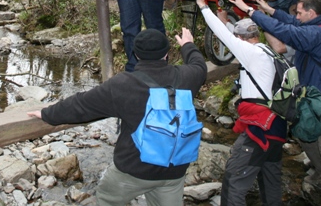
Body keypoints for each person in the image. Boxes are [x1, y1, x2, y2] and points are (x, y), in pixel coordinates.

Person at [27, 28, 207, 206]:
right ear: (167, 53)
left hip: (134, 170)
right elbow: (199, 64)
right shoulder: (188, 76)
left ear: (136, 54)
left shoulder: (123, 85)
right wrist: (188, 45)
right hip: (174, 169)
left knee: (106, 198)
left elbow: (81, 105)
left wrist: (46, 113)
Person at [229, 0, 321, 206]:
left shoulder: (316, 34)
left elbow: (286, 31)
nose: (297, 16)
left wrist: (251, 12)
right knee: (305, 137)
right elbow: (291, 22)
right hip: (312, 98)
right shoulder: (316, 25)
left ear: (311, 13)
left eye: (300, 12)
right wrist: (270, 10)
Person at [196, 0, 286, 206]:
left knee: (234, 180)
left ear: (242, 39)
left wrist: (202, 5)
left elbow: (225, 36)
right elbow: (233, 34)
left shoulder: (251, 54)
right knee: (270, 181)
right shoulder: (265, 51)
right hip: (277, 127)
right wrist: (226, 19)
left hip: (259, 130)